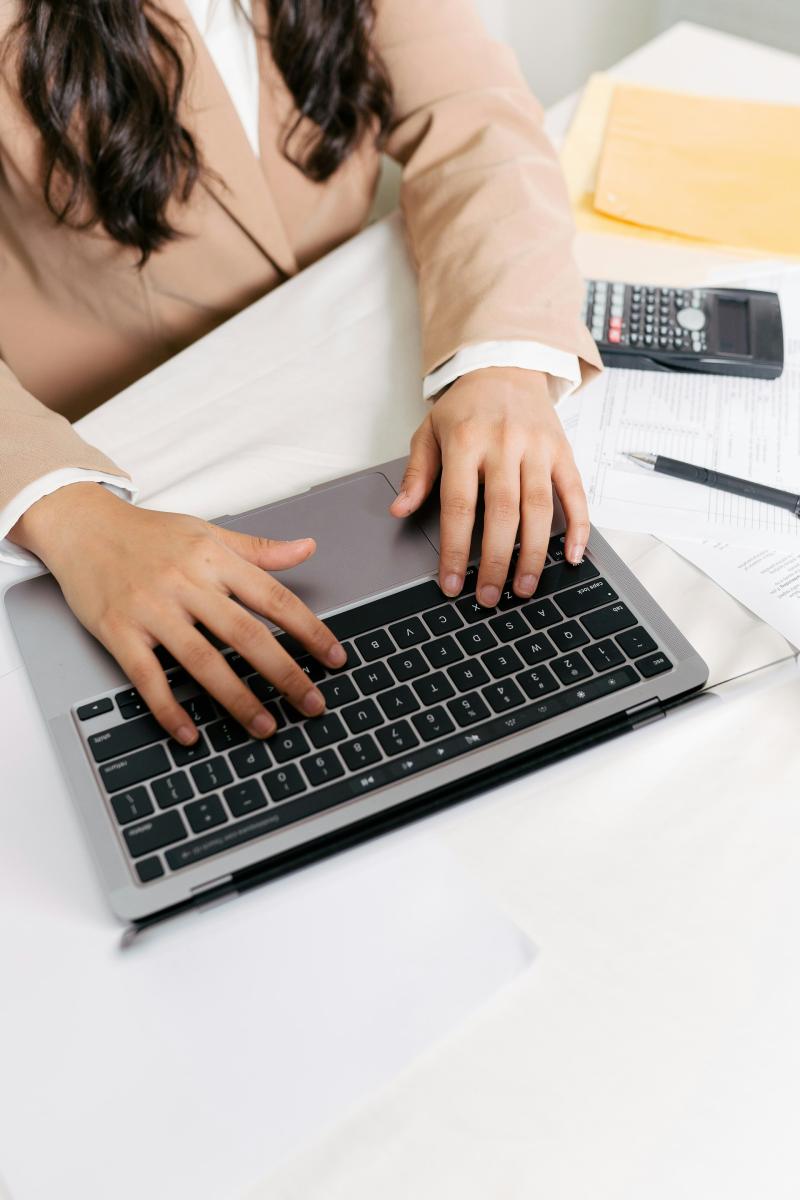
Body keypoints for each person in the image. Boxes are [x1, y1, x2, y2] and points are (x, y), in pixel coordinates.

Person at [1, 0, 601, 747]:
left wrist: (501, 360)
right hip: (119, 458)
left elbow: (473, 119)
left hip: (346, 387)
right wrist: (68, 516)